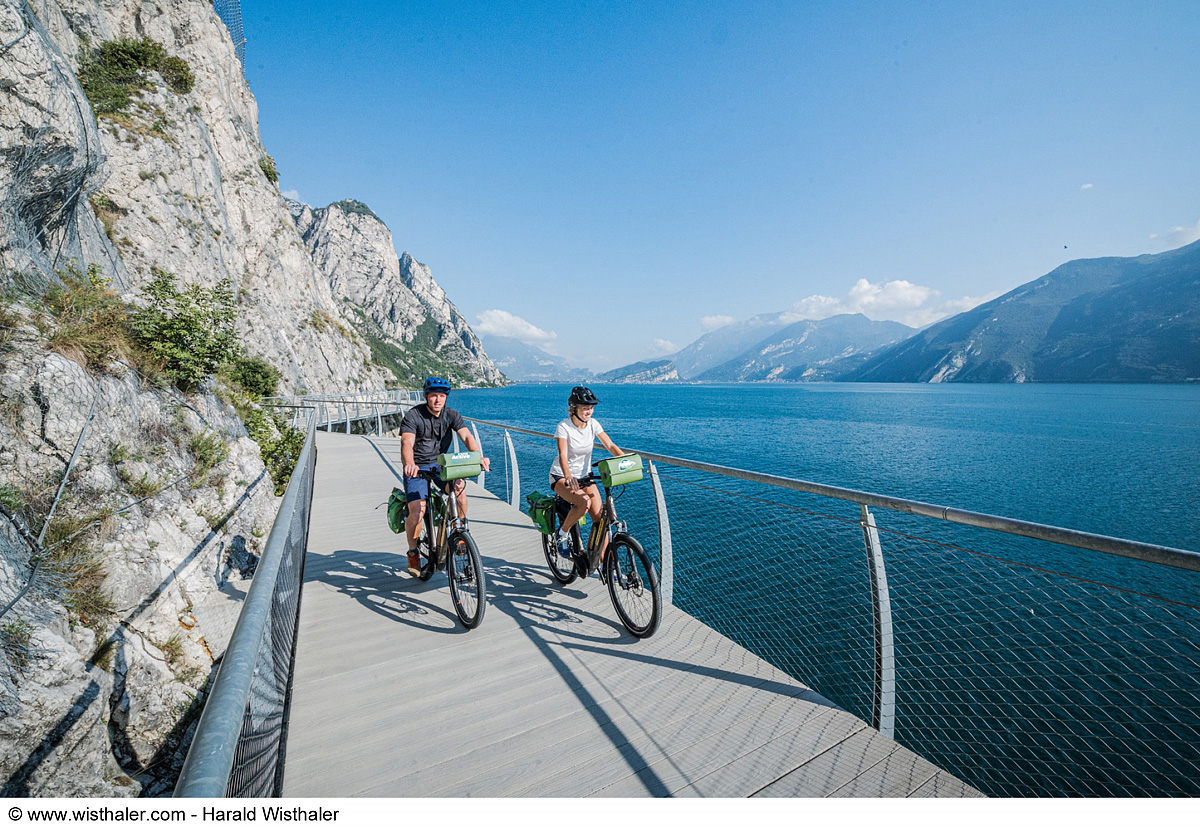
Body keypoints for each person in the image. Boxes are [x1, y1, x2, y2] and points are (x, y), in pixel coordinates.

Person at [400, 376, 490, 576]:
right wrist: (410, 463)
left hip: (441, 465)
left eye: (441, 396)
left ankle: (458, 534)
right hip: (417, 468)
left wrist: (479, 457)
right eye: (433, 396)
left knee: (459, 490)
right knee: (418, 511)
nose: (437, 400)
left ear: (446, 397)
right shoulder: (413, 415)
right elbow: (407, 442)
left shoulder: (451, 415)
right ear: (426, 396)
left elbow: (466, 436)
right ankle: (413, 552)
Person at [549, 385, 625, 568]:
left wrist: (625, 461)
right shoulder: (564, 427)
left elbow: (610, 445)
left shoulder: (593, 424)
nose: (589, 411)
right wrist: (568, 476)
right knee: (584, 503)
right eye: (585, 408)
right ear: (574, 408)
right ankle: (562, 534)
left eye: (591, 408)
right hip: (561, 476)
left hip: (584, 476)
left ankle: (604, 565)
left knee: (600, 519)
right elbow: (563, 455)